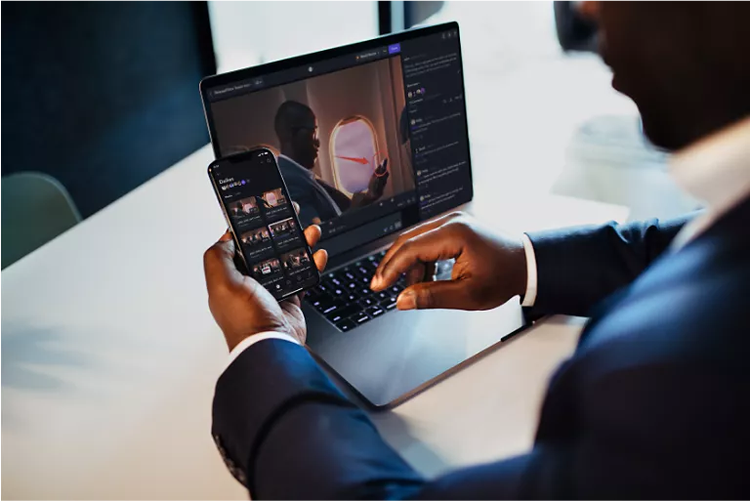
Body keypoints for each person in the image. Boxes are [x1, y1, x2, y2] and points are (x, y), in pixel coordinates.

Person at [203, 1, 750, 499]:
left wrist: (262, 345)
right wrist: (527, 262)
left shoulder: (676, 387)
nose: (584, 6)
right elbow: (686, 245)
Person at [274, 100, 390, 226]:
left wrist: (369, 196)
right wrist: (364, 202)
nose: (318, 143)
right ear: (291, 135)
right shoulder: (289, 182)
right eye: (313, 133)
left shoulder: (304, 176)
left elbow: (340, 214)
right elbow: (321, 235)